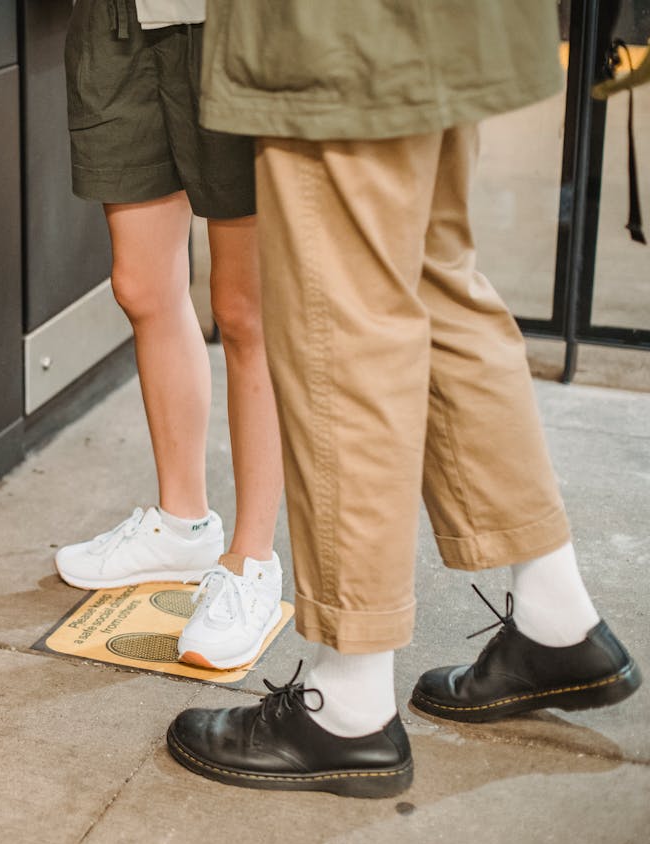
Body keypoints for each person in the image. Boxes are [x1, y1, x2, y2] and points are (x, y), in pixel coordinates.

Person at [165, 0, 641, 797]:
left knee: (340, 311)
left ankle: (344, 704)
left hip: (342, 25)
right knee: (431, 269)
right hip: (440, 20)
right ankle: (558, 620)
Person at [55, 0, 286, 669]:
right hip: (119, 18)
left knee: (246, 309)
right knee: (142, 284)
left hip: (235, 22)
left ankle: (252, 560)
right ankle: (183, 523)